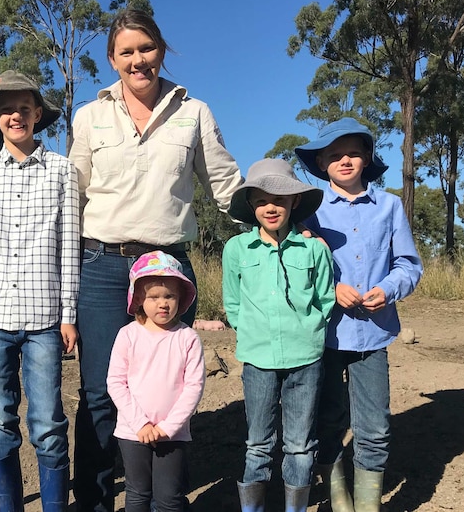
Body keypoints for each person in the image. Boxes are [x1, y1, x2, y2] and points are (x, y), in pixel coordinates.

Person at [68, 7, 242, 512]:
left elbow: (225, 185)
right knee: (101, 391)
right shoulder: (90, 116)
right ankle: (96, 501)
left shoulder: (195, 113)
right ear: (111, 58)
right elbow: (72, 196)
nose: (138, 60)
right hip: (101, 266)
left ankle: (164, 499)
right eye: (127, 51)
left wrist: (281, 219)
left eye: (147, 49)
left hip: (168, 270)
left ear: (161, 50)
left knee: (168, 391)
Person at [0, 70, 80, 512]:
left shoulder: (62, 172)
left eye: (24, 109)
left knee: (48, 422)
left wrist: (68, 313)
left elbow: (69, 244)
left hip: (45, 319)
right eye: (7, 109)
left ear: (37, 115)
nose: (16, 116)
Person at [294, 118, 423, 512]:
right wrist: (331, 290)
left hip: (374, 334)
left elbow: (409, 265)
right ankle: (338, 498)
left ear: (367, 157)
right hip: (325, 335)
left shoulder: (389, 206)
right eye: (333, 155)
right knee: (329, 418)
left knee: (375, 425)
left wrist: (387, 290)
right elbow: (300, 267)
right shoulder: (309, 210)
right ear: (321, 163)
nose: (343, 160)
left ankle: (368, 505)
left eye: (352, 152)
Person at [221, 158, 336, 512]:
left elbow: (325, 298)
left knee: (300, 444)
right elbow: (233, 302)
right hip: (258, 357)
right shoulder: (236, 250)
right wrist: (253, 332)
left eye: (281, 200)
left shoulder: (314, 248)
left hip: (306, 356)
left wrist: (310, 329)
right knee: (258, 442)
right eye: (261, 200)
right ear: (251, 204)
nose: (271, 207)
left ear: (294, 202)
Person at [107, 251, 206, 512]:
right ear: (138, 298)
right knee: (138, 493)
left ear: (181, 298)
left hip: (172, 435)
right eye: (154, 296)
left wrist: (167, 427)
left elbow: (194, 387)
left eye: (169, 296)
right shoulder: (128, 335)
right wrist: (140, 423)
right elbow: (116, 382)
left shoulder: (188, 338)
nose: (162, 303)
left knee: (169, 498)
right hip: (132, 432)